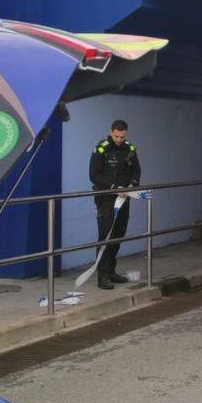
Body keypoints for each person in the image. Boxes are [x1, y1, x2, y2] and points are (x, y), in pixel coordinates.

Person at [89, 120, 141, 290]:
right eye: (116, 136)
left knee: (118, 235)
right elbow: (94, 175)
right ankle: (102, 276)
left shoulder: (129, 148)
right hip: (106, 199)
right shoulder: (102, 149)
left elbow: (136, 170)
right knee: (105, 236)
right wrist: (113, 187)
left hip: (124, 197)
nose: (119, 139)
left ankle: (111, 271)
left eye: (122, 136)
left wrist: (133, 184)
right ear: (110, 132)